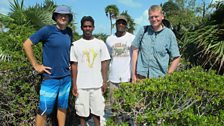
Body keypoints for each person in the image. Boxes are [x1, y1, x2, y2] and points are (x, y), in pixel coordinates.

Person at [23, 5, 73, 126]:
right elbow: (27, 44)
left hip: (66, 77)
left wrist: (70, 63)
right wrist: (36, 65)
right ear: (55, 16)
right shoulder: (47, 30)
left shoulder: (69, 32)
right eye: (60, 14)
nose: (63, 17)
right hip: (50, 78)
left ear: (69, 17)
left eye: (66, 15)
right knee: (44, 110)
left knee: (62, 107)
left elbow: (66, 50)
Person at [70, 16, 110, 126]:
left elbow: (104, 64)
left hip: (96, 84)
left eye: (90, 26)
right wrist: (74, 84)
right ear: (81, 28)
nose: (87, 28)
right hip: (81, 85)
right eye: (85, 26)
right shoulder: (75, 45)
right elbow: (74, 65)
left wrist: (104, 81)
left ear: (93, 27)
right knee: (82, 112)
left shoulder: (100, 43)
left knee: (97, 111)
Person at [131, 5, 181, 82]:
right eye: (151, 17)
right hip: (140, 77)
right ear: (148, 18)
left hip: (159, 78)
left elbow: (176, 57)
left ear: (162, 16)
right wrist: (133, 75)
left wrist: (168, 75)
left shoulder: (169, 34)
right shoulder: (143, 30)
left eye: (156, 16)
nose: (154, 19)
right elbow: (135, 51)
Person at [106, 15, 135, 104]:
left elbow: (135, 56)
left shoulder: (132, 38)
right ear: (116, 24)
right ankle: (115, 118)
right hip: (113, 78)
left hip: (127, 78)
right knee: (114, 105)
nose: (121, 24)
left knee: (127, 105)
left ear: (126, 25)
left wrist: (134, 76)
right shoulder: (109, 39)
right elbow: (108, 57)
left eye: (123, 23)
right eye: (119, 22)